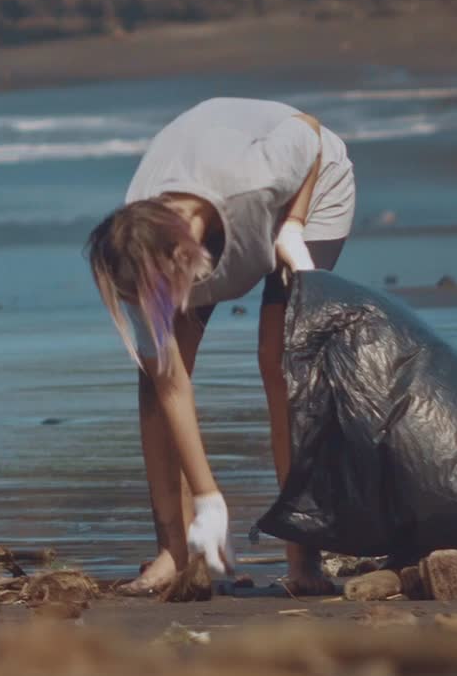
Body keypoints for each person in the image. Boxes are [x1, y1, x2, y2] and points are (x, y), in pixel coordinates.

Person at [86, 97, 355, 595]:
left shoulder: (256, 179)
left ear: (184, 254)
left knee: (281, 363)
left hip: (308, 190)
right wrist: (210, 497)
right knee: (157, 376)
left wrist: (292, 224)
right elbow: (171, 387)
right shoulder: (134, 241)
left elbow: (310, 132)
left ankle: (304, 557)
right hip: (203, 207)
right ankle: (174, 552)